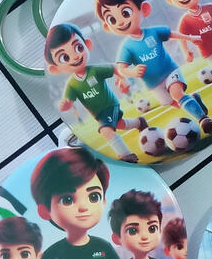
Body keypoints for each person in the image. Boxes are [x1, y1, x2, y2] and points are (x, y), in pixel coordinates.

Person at [95, 0, 212, 134]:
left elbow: (171, 34)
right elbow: (122, 68)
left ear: (143, 9)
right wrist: (132, 72)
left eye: (125, 13)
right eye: (112, 19)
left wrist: (190, 38)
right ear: (108, 26)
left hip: (169, 71)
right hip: (152, 83)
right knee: (170, 102)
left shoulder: (153, 32)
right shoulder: (127, 47)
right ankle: (194, 99)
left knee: (177, 94)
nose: (121, 22)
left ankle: (203, 119)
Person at [44, 22, 146, 163]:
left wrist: (122, 79)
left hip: (109, 105)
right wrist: (65, 105)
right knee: (119, 124)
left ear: (87, 45)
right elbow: (68, 102)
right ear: (55, 69)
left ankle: (127, 156)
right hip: (97, 114)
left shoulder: (95, 71)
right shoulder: (72, 84)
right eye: (64, 57)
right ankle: (139, 123)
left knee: (106, 130)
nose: (75, 57)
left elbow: (114, 68)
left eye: (78, 48)